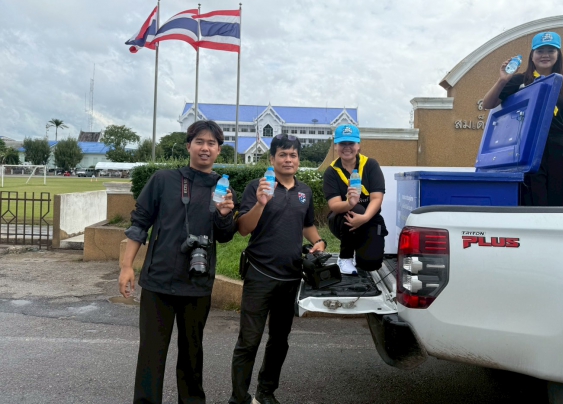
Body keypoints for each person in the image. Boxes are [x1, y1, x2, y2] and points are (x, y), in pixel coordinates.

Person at [119, 120, 237, 404]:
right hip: (158, 280)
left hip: (197, 282)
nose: (205, 148)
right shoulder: (163, 180)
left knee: (192, 354)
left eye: (211, 143)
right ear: (188, 146)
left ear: (219, 150)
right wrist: (126, 266)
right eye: (199, 142)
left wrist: (224, 215)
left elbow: (224, 237)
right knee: (151, 353)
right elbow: (140, 223)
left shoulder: (222, 187)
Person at [229, 134, 326, 404]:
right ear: (272, 159)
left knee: (280, 339)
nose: (288, 159)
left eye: (293, 155)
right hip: (259, 274)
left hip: (291, 276)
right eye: (282, 154)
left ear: (299, 160)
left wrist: (318, 241)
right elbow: (243, 228)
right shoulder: (257, 186)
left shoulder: (305, 191)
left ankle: (266, 392)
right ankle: (239, 398)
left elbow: (306, 224)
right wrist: (261, 202)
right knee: (249, 340)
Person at [482, 31, 563, 206]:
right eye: (540, 51)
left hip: (558, 150)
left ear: (558, 54)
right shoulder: (520, 80)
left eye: (551, 51)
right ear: (532, 55)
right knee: (534, 202)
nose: (545, 55)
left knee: (556, 204)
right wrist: (502, 80)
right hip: (528, 148)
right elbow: (488, 103)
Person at [323, 124, 387, 275]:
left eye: (351, 143)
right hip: (342, 220)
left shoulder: (371, 165)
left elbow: (377, 198)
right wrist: (349, 203)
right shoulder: (331, 172)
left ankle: (360, 249)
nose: (347, 147)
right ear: (336, 146)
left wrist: (364, 218)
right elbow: (334, 205)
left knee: (370, 263)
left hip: (369, 218)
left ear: (358, 145)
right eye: (342, 143)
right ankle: (345, 258)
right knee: (356, 208)